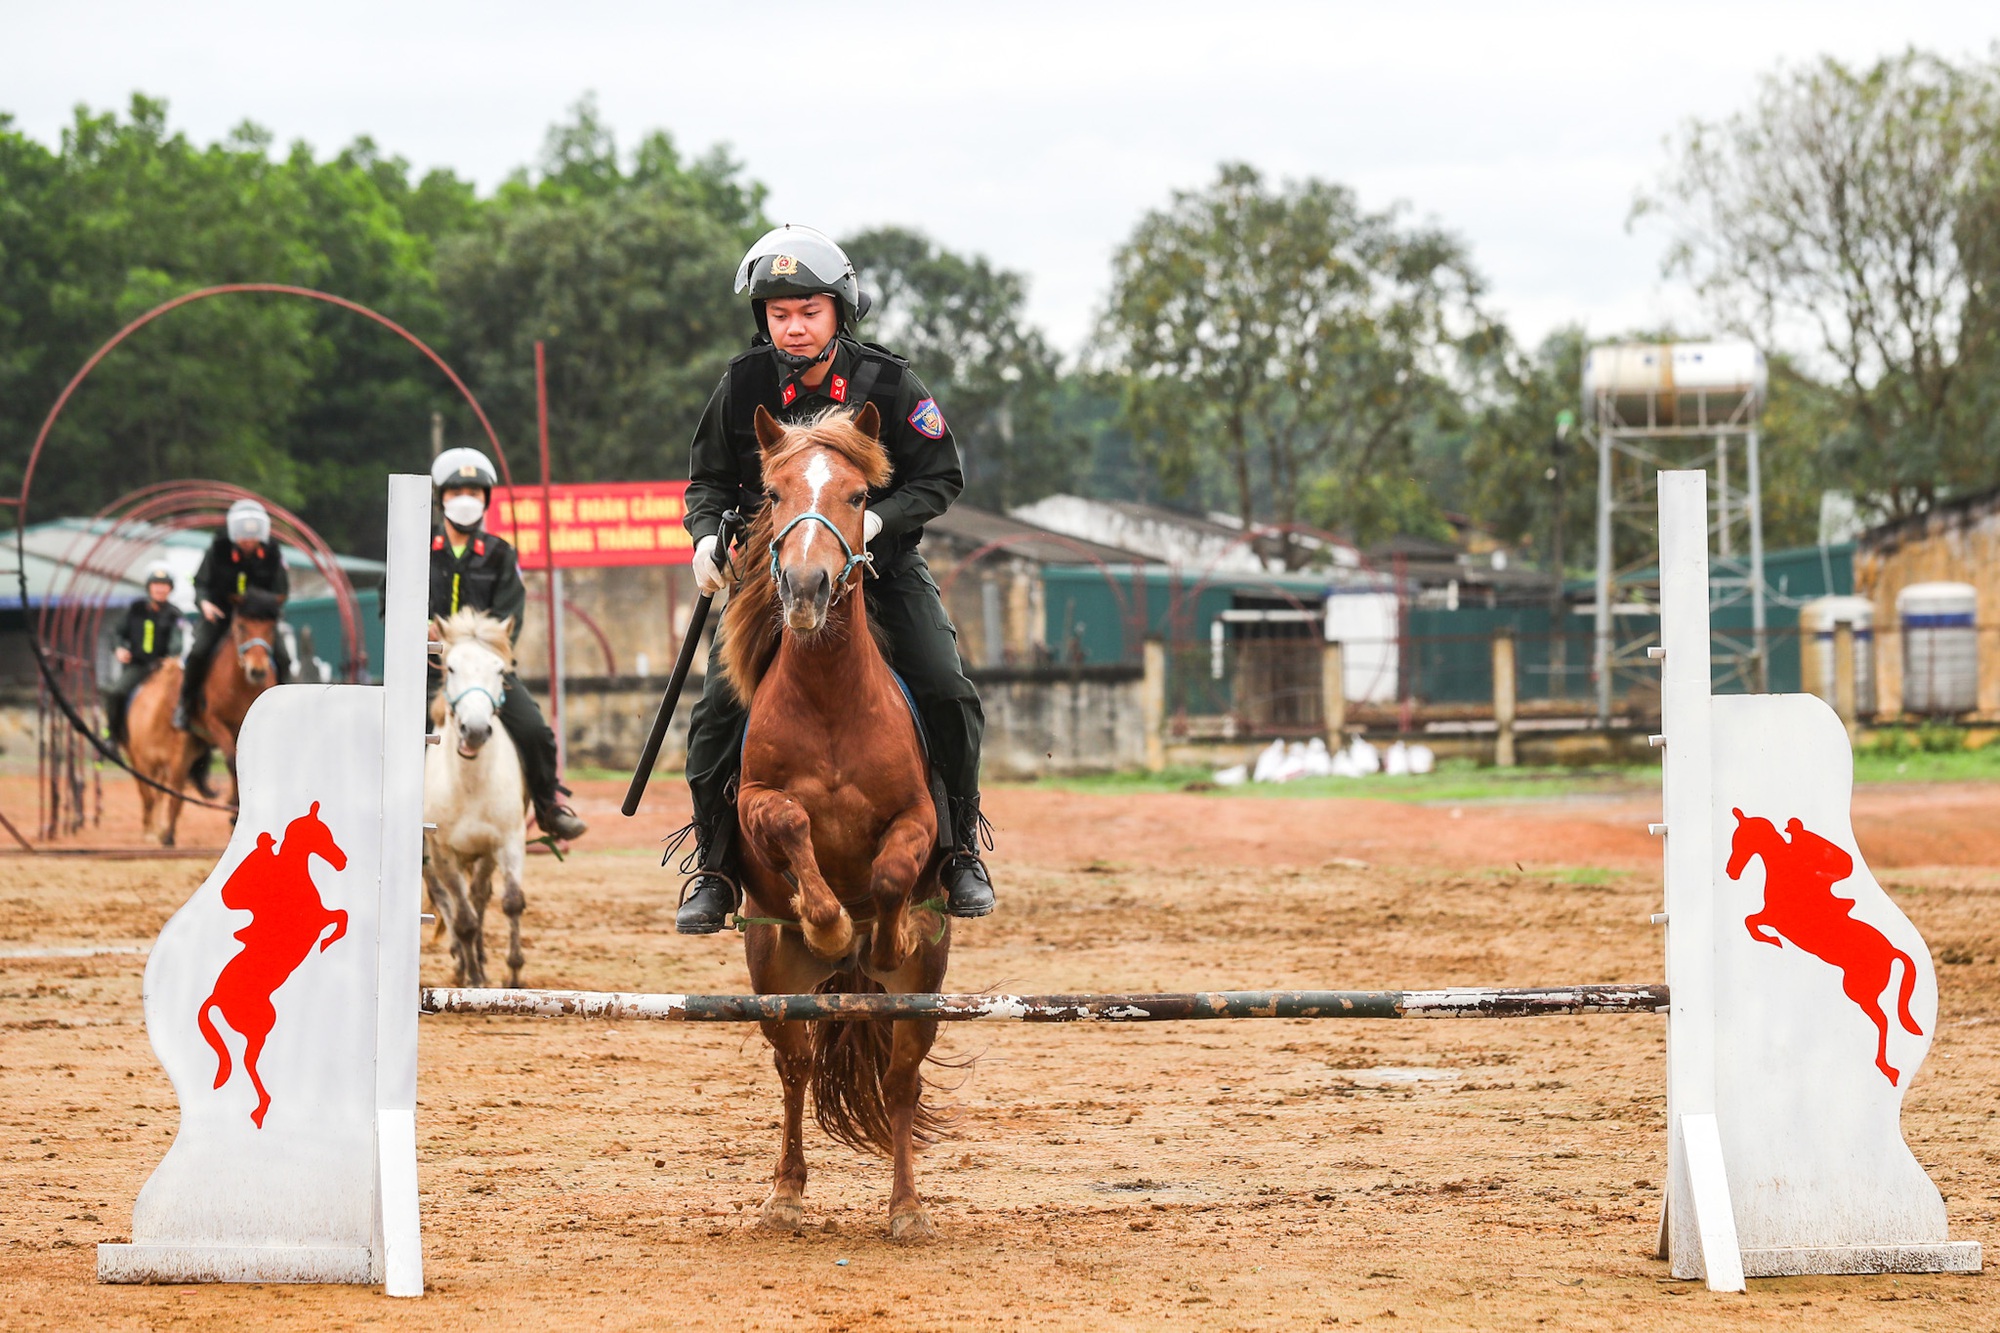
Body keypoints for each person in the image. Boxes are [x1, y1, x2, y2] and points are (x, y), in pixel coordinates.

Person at [671, 223, 995, 935]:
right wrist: (703, 538)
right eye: (778, 313)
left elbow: (942, 475)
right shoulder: (743, 383)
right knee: (717, 712)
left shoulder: (888, 381)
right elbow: (709, 479)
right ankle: (716, 867)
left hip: (880, 564)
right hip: (773, 574)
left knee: (946, 685)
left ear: (840, 312)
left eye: (807, 311)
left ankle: (962, 847)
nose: (791, 327)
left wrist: (878, 520)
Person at [427, 447, 588, 843]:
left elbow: (508, 620)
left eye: (474, 491)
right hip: (426, 673)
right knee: (394, 736)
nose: (465, 499)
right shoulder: (418, 550)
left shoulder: (501, 555)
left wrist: (482, 658)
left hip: (485, 673)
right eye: (455, 491)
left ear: (486, 499)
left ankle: (548, 805)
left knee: (535, 731)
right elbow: (388, 603)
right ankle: (387, 814)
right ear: (440, 498)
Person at [175, 499, 291, 732]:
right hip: (219, 616)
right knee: (198, 653)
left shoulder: (273, 555)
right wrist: (205, 604)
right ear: (233, 534)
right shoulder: (216, 552)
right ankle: (185, 704)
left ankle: (288, 709)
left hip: (257, 620)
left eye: (253, 535)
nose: (248, 541)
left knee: (283, 657)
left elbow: (281, 591)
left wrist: (261, 606)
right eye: (243, 535)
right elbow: (201, 584)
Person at [103, 564, 184, 748]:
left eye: (164, 585)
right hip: (138, 666)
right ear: (149, 587)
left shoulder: (175, 614)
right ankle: (113, 735)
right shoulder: (135, 609)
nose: (160, 588)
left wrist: (172, 656)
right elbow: (116, 632)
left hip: (164, 668)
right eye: (156, 584)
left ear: (170, 589)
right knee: (116, 693)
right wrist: (119, 648)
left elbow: (177, 639)